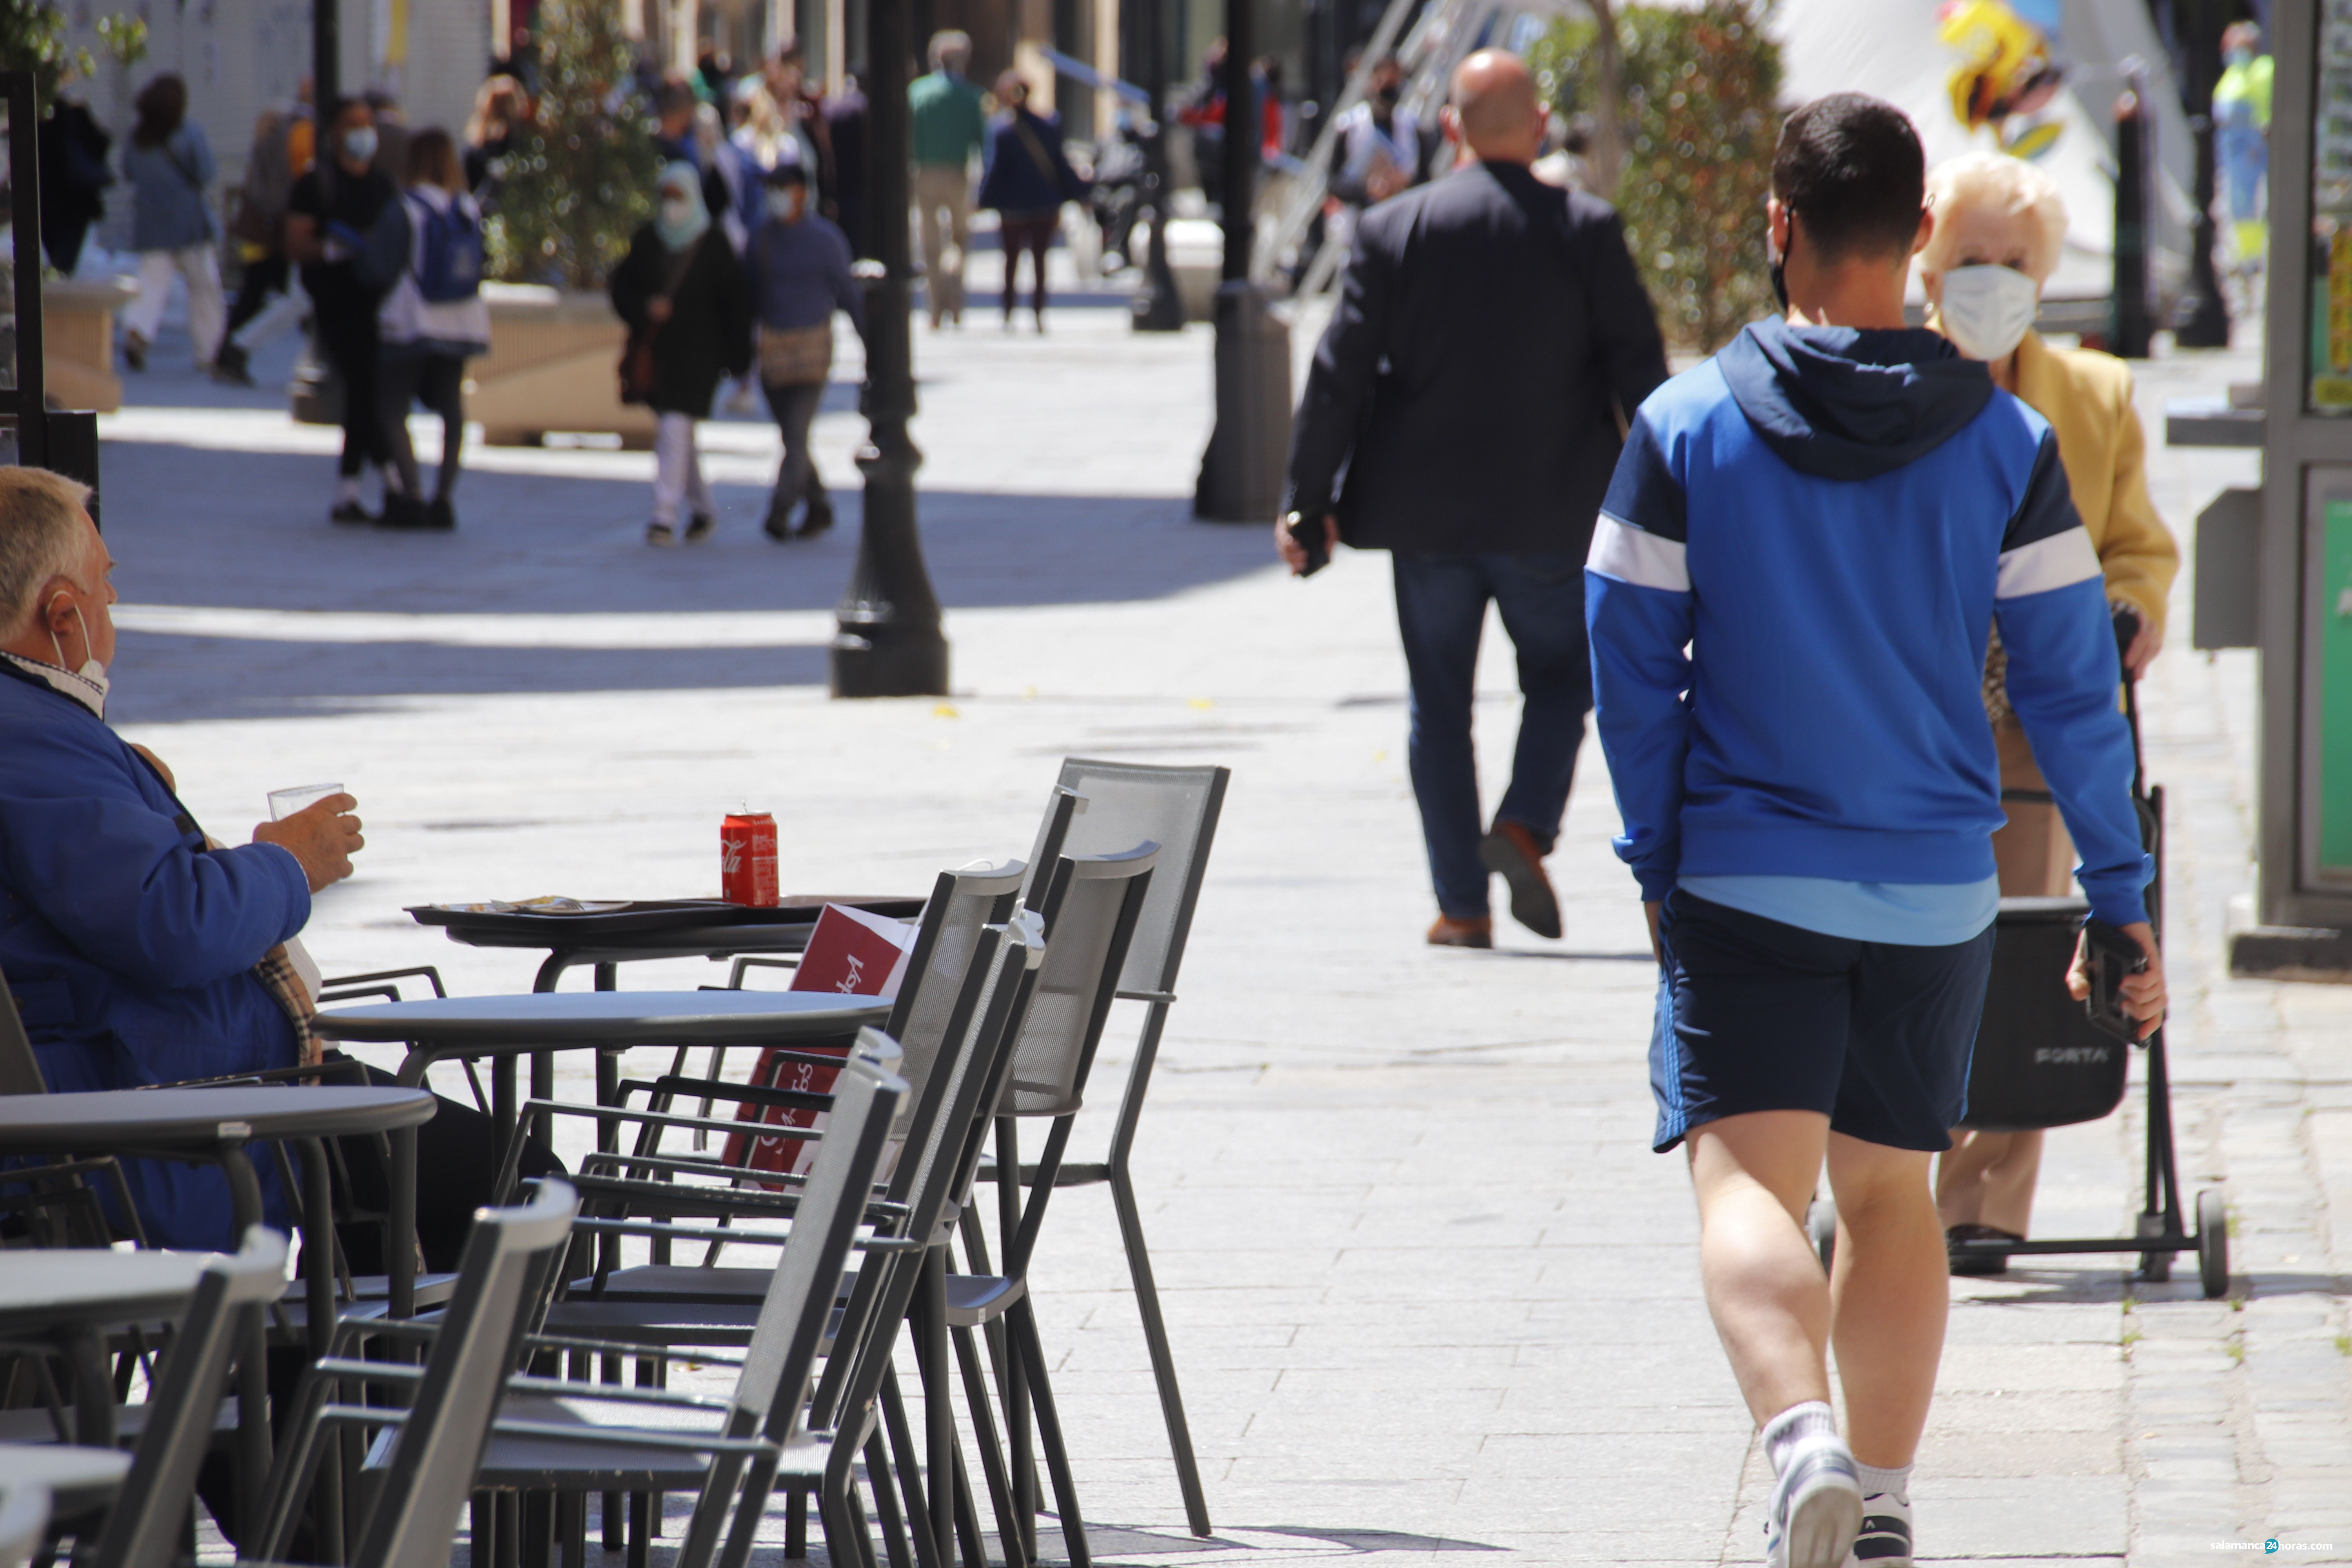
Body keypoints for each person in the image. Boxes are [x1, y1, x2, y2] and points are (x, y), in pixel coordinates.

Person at [1584, 94, 2166, 1568]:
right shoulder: (2010, 442)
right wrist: (2117, 888)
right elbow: (2071, 686)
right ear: (1916, 239)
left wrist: (1653, 856)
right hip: (1933, 889)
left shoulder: (1684, 425)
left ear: (1775, 227)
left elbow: (1626, 664)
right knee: (1892, 1189)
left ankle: (1800, 1447)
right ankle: (1887, 1499)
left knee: (1744, 1184)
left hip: (1744, 868)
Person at [0, 467, 561, 1260]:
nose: (113, 607)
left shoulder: (39, 726)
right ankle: (359, 1379)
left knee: (421, 1181)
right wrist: (288, 864)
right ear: (61, 612)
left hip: (187, 1085)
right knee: (520, 1188)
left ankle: (339, 1373)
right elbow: (174, 922)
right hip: (160, 1110)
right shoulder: (29, 731)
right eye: (105, 586)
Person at [1279, 49, 1668, 949]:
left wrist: (1308, 500)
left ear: (1449, 127)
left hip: (1426, 521)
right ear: (1539, 127)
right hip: (1551, 515)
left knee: (1438, 708)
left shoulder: (1391, 229)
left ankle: (1462, 907)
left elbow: (1337, 375)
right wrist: (1672, 507)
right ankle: (1526, 824)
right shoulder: (1586, 228)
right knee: (1566, 676)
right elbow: (1640, 378)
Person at [1915, 150, 2178, 1271]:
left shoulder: (2095, 393)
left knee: (2022, 941)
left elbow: (2138, 546)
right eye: (1970, 259)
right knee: (1920, 945)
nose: (1991, 277)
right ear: (1927, 264)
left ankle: (1980, 1200)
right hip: (1918, 707)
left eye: (2013, 262)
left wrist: (2126, 608)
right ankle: (1888, 1174)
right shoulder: (1891, 383)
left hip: (2036, 713)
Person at [610, 162, 753, 546]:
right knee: (680, 435)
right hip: (659, 357)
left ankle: (664, 515)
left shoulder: (714, 244)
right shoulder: (648, 241)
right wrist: (646, 307)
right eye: (666, 198)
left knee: (674, 428)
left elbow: (736, 305)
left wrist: (739, 361)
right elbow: (621, 288)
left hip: (700, 359)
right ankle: (704, 511)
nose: (672, 206)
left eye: (679, 197)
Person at [286, 96, 401, 525]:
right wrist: (329, 250)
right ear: (334, 132)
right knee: (361, 385)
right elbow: (294, 242)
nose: (362, 133)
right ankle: (387, 482)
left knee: (363, 391)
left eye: (368, 124)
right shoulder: (317, 184)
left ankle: (358, 490)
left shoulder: (384, 185)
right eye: (353, 124)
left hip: (378, 302)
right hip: (334, 304)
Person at [371, 128, 491, 532]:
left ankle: (413, 494)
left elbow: (379, 263)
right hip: (460, 320)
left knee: (392, 407)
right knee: (452, 411)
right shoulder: (467, 208)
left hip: (411, 320)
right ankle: (444, 499)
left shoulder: (404, 207)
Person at [746, 161, 865, 541]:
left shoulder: (826, 240)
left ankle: (780, 509)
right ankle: (820, 506)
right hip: (774, 354)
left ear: (801, 192)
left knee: (797, 432)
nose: (776, 197)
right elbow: (747, 295)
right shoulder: (760, 238)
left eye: (783, 188)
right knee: (792, 437)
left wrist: (873, 346)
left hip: (813, 351)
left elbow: (850, 296)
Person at [120, 73, 226, 375]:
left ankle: (138, 332)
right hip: (189, 224)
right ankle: (209, 350)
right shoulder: (190, 133)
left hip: (151, 223)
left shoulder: (137, 138)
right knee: (204, 288)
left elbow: (128, 172)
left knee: (151, 285)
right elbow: (206, 173)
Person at [977, 73, 1083, 332]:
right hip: (1043, 204)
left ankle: (1008, 312)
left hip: (1013, 208)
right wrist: (1078, 192)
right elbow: (1061, 163)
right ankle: (1038, 313)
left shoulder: (1000, 128)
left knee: (1011, 261)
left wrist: (982, 199)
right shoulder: (1049, 124)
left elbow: (994, 169)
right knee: (1039, 261)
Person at [216, 100, 309, 387]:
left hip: (266, 231)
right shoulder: (292, 138)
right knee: (282, 299)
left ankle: (232, 351)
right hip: (273, 232)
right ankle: (234, 350)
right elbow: (278, 192)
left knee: (265, 297)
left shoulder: (271, 138)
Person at [909, 30, 988, 328]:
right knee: (959, 239)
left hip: (924, 173)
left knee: (930, 245)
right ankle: (954, 296)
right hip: (958, 173)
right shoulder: (972, 97)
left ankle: (934, 309)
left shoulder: (917, 94)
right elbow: (982, 145)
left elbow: (907, 138)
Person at [39, 73, 113, 276]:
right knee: (68, 254)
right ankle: (62, 278)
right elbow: (100, 144)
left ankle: (56, 281)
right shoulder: (75, 112)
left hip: (46, 197)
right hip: (76, 197)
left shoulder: (34, 117)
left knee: (52, 248)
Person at [2212, 20, 2272, 271]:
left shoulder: (2265, 70)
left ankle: (2257, 257)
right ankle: (2246, 257)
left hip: (2255, 148)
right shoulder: (2230, 77)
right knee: (2238, 206)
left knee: (2259, 204)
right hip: (2232, 154)